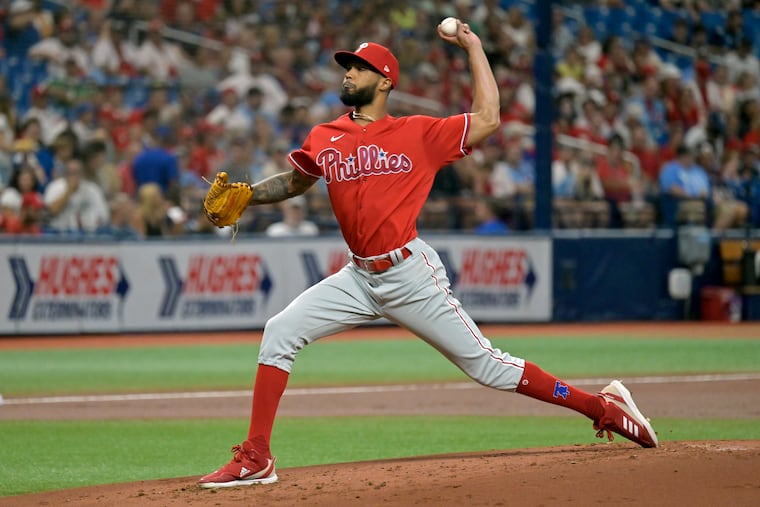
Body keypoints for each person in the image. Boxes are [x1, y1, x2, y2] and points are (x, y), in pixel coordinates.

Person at [198, 20, 658, 489]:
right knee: (280, 331)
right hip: (357, 277)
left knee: (489, 367)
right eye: (347, 67)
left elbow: (488, 119)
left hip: (409, 274)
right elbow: (298, 181)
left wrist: (474, 46)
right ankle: (257, 456)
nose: (348, 73)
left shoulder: (419, 133)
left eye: (359, 67)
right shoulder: (325, 135)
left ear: (385, 81)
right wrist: (249, 196)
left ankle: (602, 407)